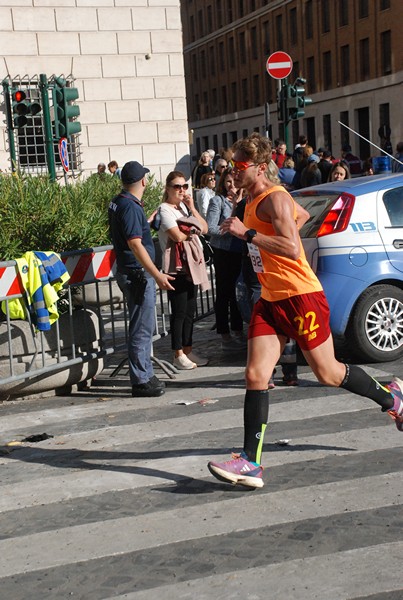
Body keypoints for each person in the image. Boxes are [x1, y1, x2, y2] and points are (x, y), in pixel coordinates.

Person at [207, 133, 403, 489]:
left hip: (300, 297)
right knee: (255, 375)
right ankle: (251, 462)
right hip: (271, 299)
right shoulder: (252, 199)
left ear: (259, 167)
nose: (232, 172)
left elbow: (292, 247)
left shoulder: (274, 198)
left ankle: (393, 400)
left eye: (238, 166)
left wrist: (248, 235)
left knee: (328, 373)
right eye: (231, 166)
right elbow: (299, 217)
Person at [108, 161, 175, 398]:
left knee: (142, 325)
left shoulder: (119, 201)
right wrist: (157, 275)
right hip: (138, 274)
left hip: (130, 270)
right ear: (143, 181)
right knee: (142, 327)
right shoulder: (130, 207)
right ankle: (141, 379)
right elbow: (135, 244)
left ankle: (144, 372)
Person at [158, 171, 209, 369]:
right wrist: (192, 231)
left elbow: (204, 228)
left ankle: (188, 350)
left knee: (190, 311)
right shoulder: (165, 210)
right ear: (168, 188)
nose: (181, 190)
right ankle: (177, 353)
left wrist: (192, 208)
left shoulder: (183, 209)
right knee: (178, 312)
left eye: (184, 186)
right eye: (177, 187)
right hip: (176, 267)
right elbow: (177, 236)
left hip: (191, 265)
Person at [206, 167, 245, 352]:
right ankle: (224, 332)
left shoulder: (244, 200)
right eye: (228, 181)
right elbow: (211, 229)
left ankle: (238, 329)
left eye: (235, 181)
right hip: (223, 252)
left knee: (237, 293)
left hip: (241, 251)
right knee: (224, 292)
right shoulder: (218, 201)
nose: (232, 185)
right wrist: (231, 229)